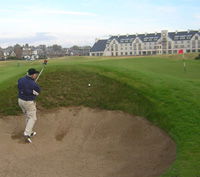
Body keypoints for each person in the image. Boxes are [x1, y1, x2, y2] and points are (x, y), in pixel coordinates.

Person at [18, 68, 41, 143]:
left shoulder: (20, 79)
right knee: (33, 118)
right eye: (35, 74)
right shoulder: (34, 84)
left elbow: (19, 86)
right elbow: (37, 93)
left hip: (20, 101)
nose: (36, 75)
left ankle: (30, 131)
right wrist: (32, 88)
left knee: (28, 116)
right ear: (33, 75)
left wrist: (30, 85)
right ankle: (27, 134)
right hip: (28, 102)